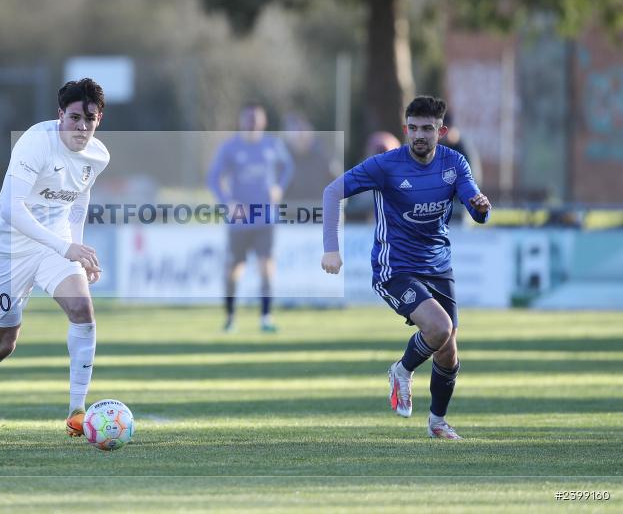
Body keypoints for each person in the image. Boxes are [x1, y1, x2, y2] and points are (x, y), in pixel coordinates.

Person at [320, 96, 491, 440]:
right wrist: (331, 249)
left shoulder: (454, 163)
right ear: (405, 129)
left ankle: (438, 422)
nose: (419, 135)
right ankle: (402, 369)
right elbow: (332, 191)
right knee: (440, 328)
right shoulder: (385, 165)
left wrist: (481, 208)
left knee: (448, 348)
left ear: (441, 131)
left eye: (427, 128)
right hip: (394, 267)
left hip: (438, 265)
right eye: (413, 128)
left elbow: (475, 207)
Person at [0, 78, 109, 445]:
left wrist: (78, 248)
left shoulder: (98, 156)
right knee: (3, 343)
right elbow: (11, 208)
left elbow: (79, 201)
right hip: (7, 249)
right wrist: (65, 247)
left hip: (52, 245)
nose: (81, 126)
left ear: (99, 118)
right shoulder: (35, 143)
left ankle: (77, 412)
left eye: (89, 118)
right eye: (74, 117)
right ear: (60, 115)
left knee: (82, 311)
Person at [207, 104, 294, 333]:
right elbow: (214, 178)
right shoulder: (230, 148)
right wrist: (228, 202)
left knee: (267, 266)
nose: (252, 122)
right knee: (235, 267)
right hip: (240, 219)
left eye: (256, 118)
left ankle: (266, 317)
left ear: (264, 121)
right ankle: (230, 317)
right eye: (248, 118)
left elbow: (287, 168)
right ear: (241, 120)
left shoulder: (273, 145)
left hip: (266, 218)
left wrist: (279, 187)